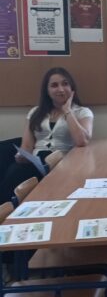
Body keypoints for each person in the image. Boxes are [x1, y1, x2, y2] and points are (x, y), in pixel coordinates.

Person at [0, 67, 93, 204]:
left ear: (72, 88)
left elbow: (82, 141)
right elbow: (26, 146)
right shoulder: (35, 112)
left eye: (65, 84)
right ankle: (5, 210)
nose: (60, 89)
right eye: (54, 85)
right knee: (15, 172)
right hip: (35, 162)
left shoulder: (82, 112)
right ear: (47, 91)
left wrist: (67, 111)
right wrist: (21, 156)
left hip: (62, 164)